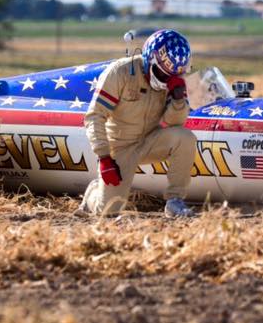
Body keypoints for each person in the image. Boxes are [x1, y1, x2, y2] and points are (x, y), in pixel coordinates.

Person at [80, 29, 197, 217]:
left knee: (185, 138)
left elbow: (174, 123)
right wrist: (104, 157)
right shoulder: (120, 72)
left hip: (151, 139)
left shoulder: (173, 79)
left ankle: (175, 201)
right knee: (108, 211)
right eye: (163, 73)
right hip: (120, 146)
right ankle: (93, 193)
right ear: (149, 59)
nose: (167, 80)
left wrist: (178, 100)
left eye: (172, 76)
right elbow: (94, 116)